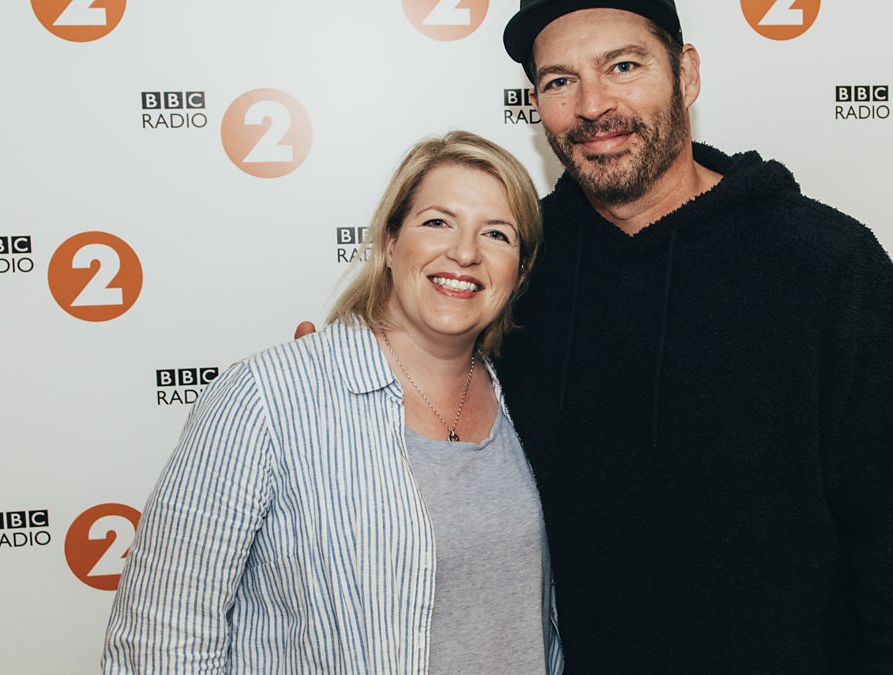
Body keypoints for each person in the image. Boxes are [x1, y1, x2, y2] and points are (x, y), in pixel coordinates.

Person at [493, 1, 893, 672]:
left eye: (623, 66)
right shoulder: (515, 271)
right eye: (559, 81)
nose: (592, 105)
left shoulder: (826, 265)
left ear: (686, 74)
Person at [103, 131, 564, 674]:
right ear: (390, 242)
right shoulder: (265, 399)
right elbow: (160, 639)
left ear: (520, 270)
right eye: (438, 222)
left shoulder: (530, 400)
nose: (465, 252)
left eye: (497, 234)